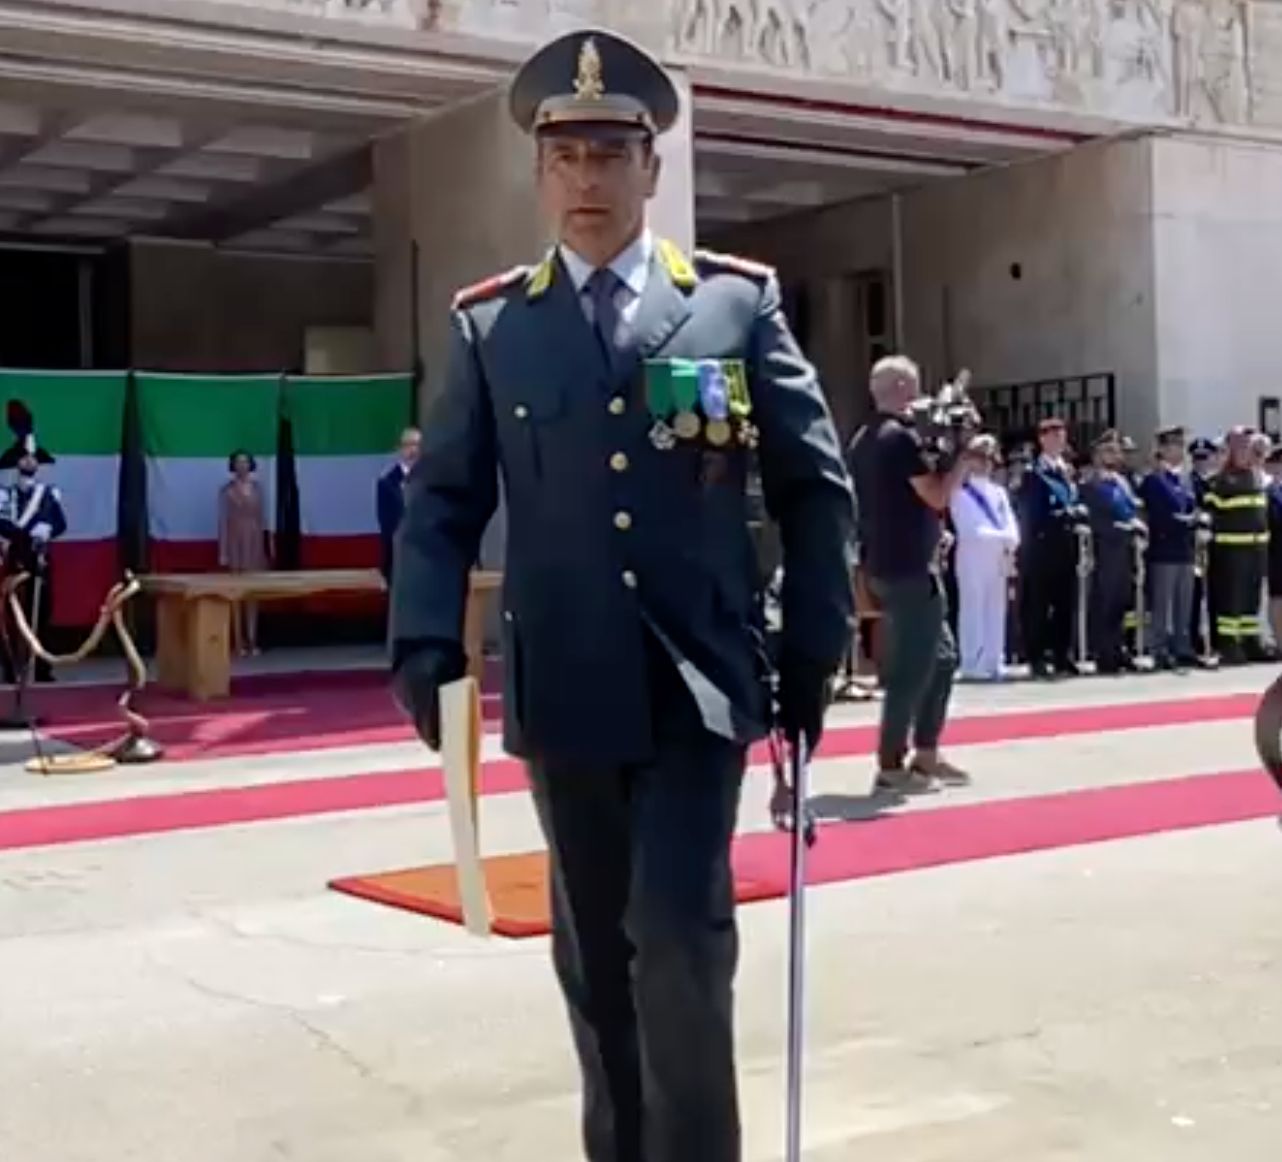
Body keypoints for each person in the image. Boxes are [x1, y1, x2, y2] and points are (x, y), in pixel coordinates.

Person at [390, 28, 854, 1162]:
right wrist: (424, 642)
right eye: (565, 157)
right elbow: (442, 499)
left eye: (609, 154)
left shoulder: (734, 307)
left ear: (651, 167)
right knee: (596, 956)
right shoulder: (495, 325)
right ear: (539, 174)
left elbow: (813, 486)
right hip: (566, 684)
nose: (586, 179)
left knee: (680, 936)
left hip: (699, 686)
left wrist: (812, 645)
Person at [847, 355, 966, 793]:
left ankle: (926, 753)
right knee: (913, 668)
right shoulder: (898, 438)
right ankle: (891, 764)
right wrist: (961, 459)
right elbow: (935, 495)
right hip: (907, 567)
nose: (919, 396)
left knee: (942, 657)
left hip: (889, 562)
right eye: (914, 387)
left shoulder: (863, 438)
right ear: (900, 389)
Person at [0, 400, 66, 684]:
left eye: (33, 458)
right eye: (24, 458)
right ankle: (11, 666)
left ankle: (40, 667)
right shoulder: (5, 495)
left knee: (41, 614)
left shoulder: (48, 494)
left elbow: (61, 523)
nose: (29, 462)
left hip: (39, 558)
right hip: (14, 557)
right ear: (16, 463)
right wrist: (22, 534)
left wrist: (47, 530)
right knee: (11, 615)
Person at [948, 434, 1019, 681]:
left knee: (996, 607)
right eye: (980, 457)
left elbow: (1010, 520)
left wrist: (1011, 539)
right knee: (973, 606)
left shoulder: (999, 492)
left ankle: (994, 658)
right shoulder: (960, 491)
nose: (986, 463)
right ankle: (972, 661)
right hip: (973, 553)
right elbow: (970, 527)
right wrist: (1002, 537)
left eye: (990, 457)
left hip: (997, 554)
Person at [1018, 416, 1085, 677]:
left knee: (1064, 603)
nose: (1058, 440)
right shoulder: (1034, 473)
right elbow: (1033, 514)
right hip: (1042, 547)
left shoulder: (1066, 471)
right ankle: (1036, 656)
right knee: (1039, 604)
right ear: (1042, 439)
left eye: (1061, 435)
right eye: (1052, 435)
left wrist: (1076, 513)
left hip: (1066, 545)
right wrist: (1066, 514)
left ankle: (1061, 655)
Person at [1079, 430, 1146, 674]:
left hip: (1126, 549)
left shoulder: (1122, 482)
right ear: (1097, 455)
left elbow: (1132, 509)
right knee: (1105, 603)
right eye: (1107, 451)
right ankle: (1104, 653)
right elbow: (1096, 519)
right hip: (1105, 549)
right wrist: (1123, 527)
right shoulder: (1090, 483)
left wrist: (1138, 524)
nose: (1112, 455)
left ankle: (1119, 649)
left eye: (1115, 451)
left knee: (1122, 602)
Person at [1206, 426, 1269, 663]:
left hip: (1256, 549)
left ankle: (1250, 640)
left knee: (1251, 599)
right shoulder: (1221, 480)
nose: (1247, 453)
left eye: (1249, 448)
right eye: (1242, 448)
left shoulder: (1255, 477)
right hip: (1231, 551)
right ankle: (1229, 642)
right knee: (1231, 597)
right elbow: (1210, 513)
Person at [1139, 426, 1198, 670]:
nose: (1179, 450)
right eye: (1174, 445)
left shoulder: (1184, 480)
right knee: (1162, 603)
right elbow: (1157, 514)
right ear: (1162, 449)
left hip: (1185, 550)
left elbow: (1192, 506)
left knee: (1184, 602)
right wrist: (1184, 521)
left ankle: (1182, 646)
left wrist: (1196, 519)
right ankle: (1159, 648)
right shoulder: (1154, 479)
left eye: (1181, 445)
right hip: (1164, 549)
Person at [218, 449, 270, 656]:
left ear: (250, 465)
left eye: (245, 462)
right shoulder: (226, 491)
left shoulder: (258, 489)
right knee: (236, 593)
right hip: (235, 543)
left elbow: (263, 518)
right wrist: (223, 552)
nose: (242, 466)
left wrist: (266, 546)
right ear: (233, 466)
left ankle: (252, 638)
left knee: (252, 593)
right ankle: (238, 641)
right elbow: (222, 522)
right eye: (238, 462)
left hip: (254, 542)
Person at [376, 426, 421, 584]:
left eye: (417, 445)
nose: (413, 450)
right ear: (399, 449)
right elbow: (387, 526)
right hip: (398, 563)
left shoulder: (430, 482)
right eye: (409, 444)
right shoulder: (387, 484)